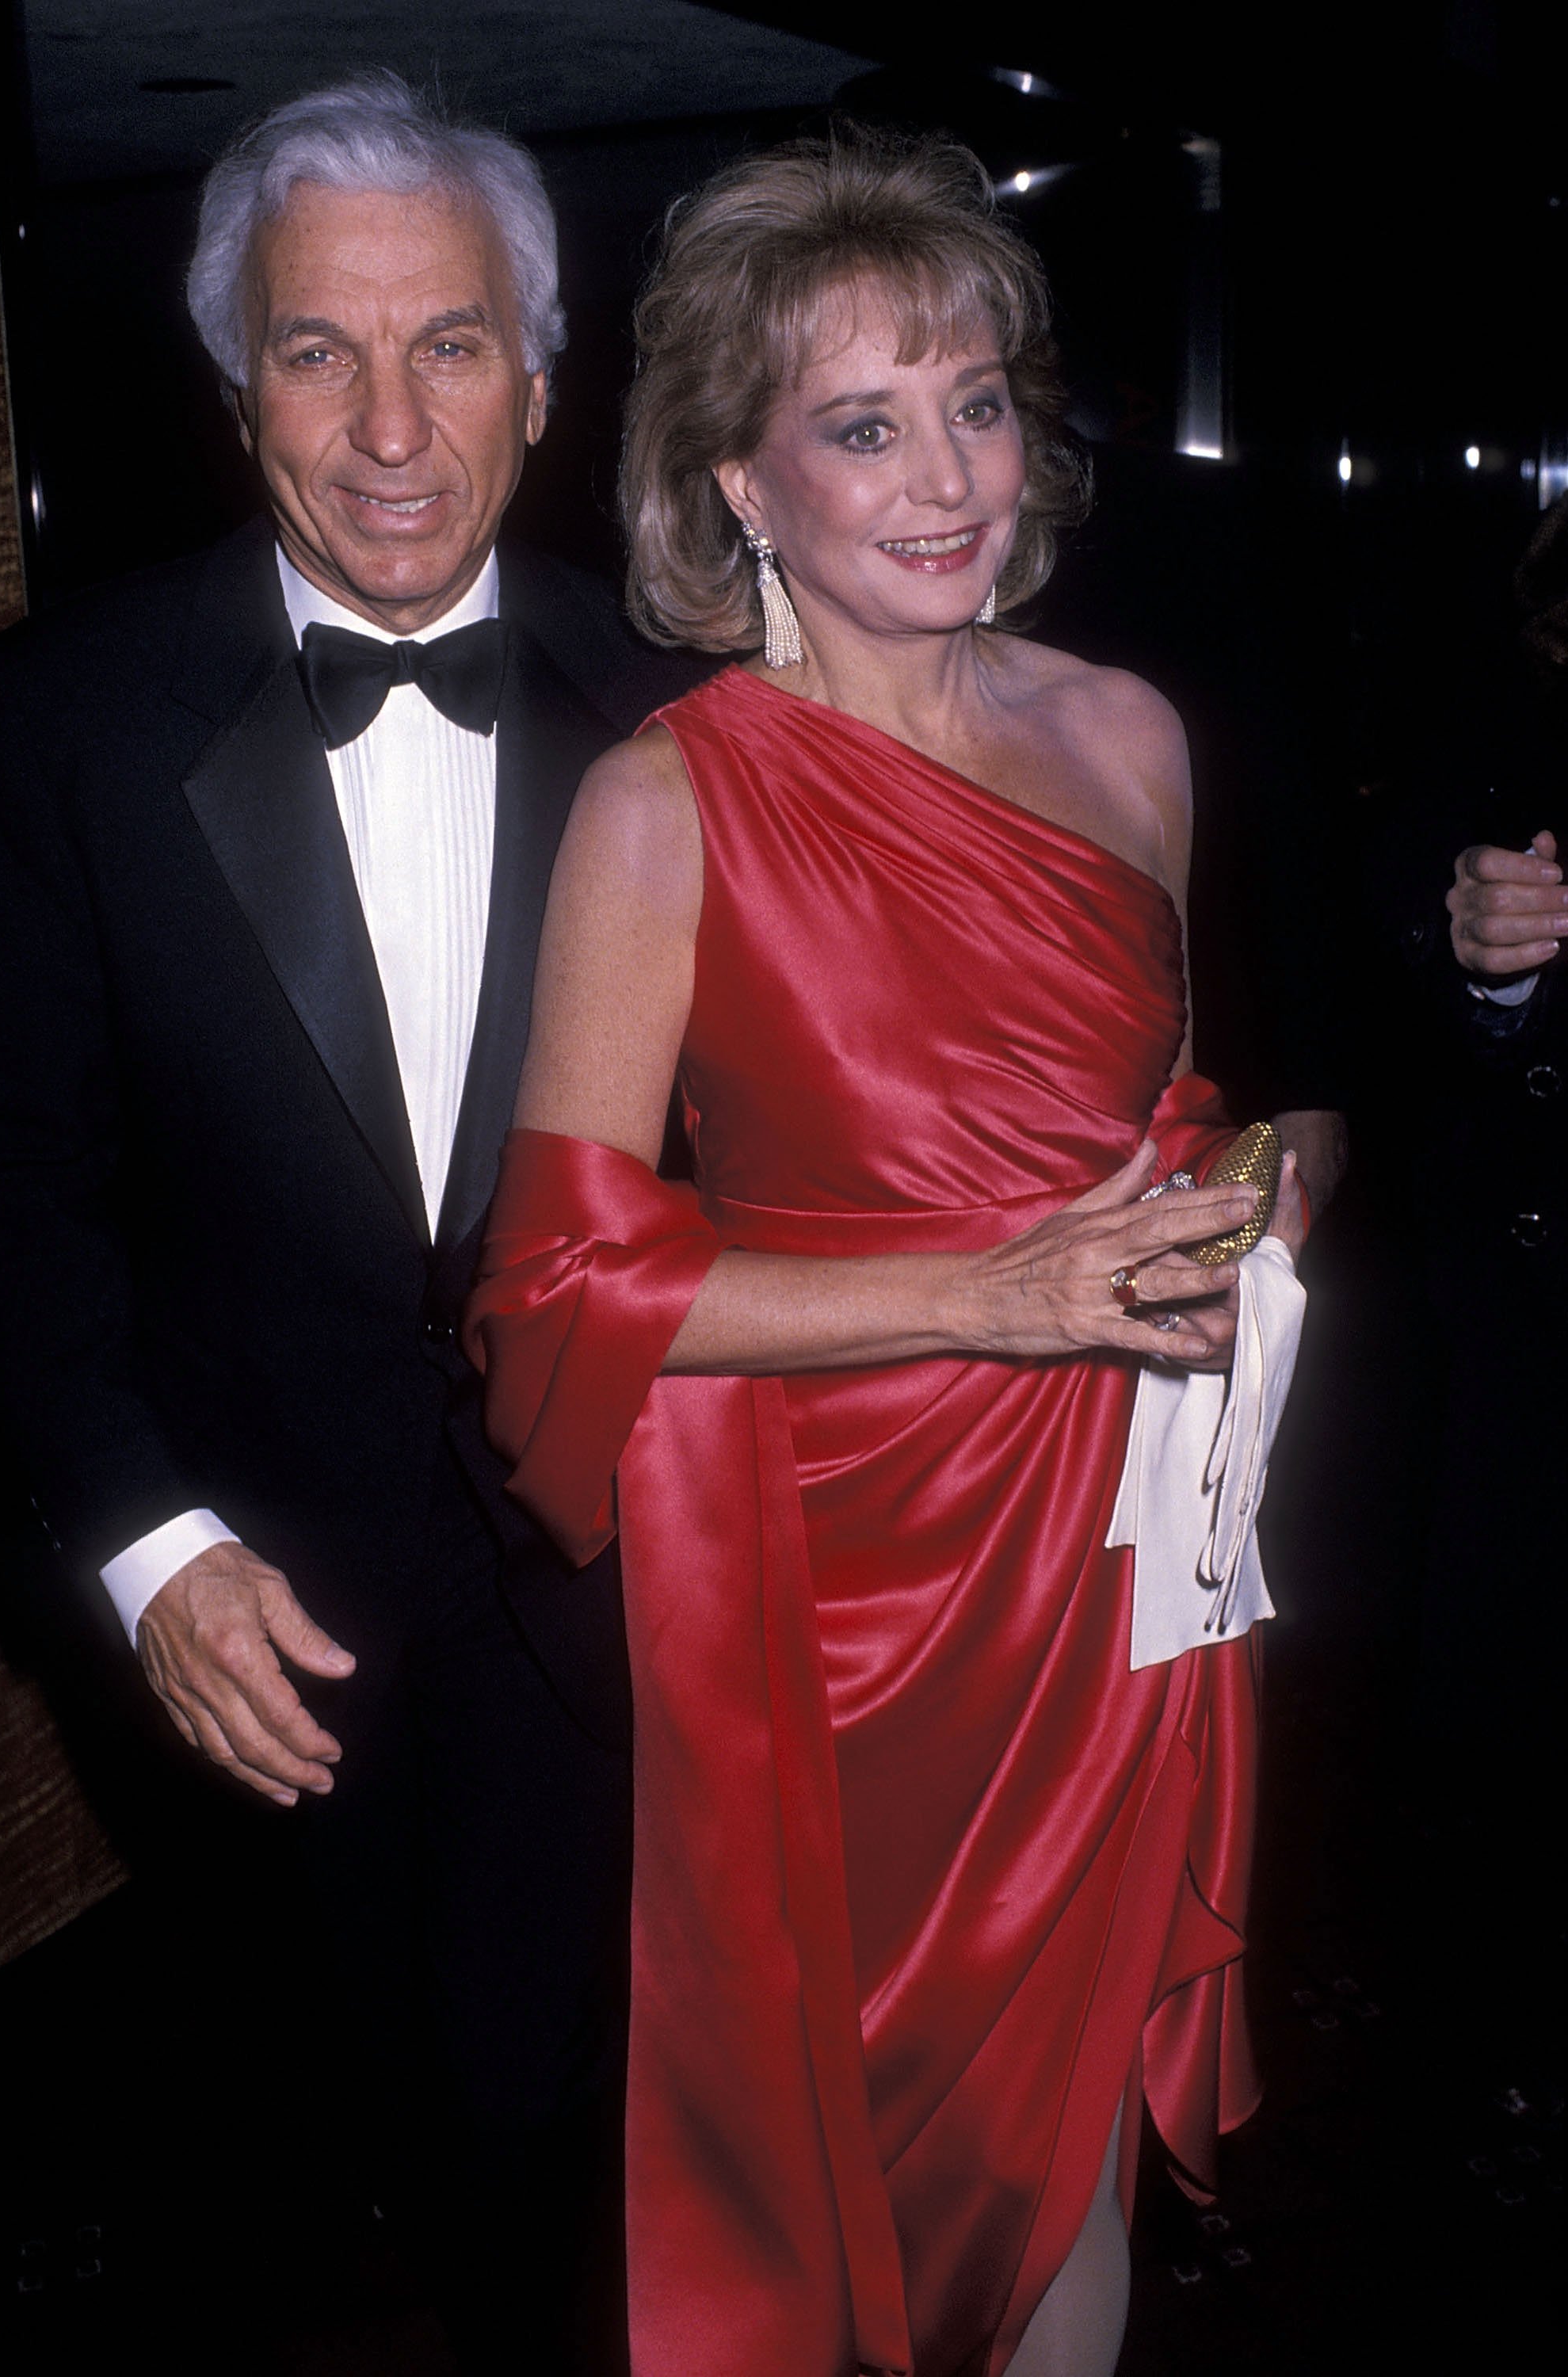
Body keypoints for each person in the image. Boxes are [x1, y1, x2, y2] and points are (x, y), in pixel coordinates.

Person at [464, 128, 1305, 2377]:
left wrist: (1244, 1189)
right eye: (861, 424)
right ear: (740, 485)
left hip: (1109, 1540)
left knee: (1067, 2125)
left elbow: (1150, 1110)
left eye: (976, 403)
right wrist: (991, 1294)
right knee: (830, 2154)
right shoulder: (671, 802)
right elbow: (551, 1294)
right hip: (831, 1597)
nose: (943, 479)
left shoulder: (1131, 734)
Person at [0, 71, 697, 2371]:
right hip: (249, 1621)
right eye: (317, 350)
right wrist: (144, 1552)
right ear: (236, 384)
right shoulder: (46, 733)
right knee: (253, 2198)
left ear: (543, 377)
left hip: (611, 1596)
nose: (387, 423)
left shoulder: (692, 716)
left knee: (578, 2186)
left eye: (448, 342)